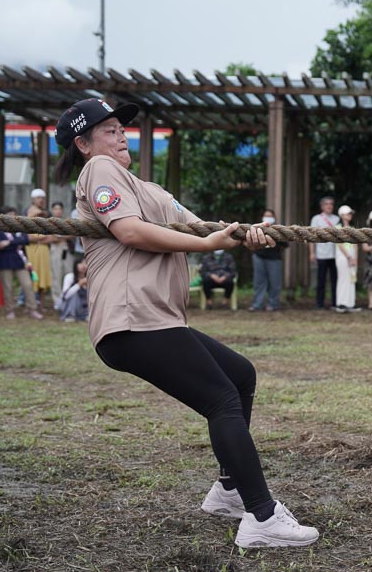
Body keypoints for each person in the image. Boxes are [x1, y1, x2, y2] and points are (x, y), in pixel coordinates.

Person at [53, 98, 317, 548]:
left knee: (239, 375)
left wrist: (242, 237)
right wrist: (208, 244)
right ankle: (262, 517)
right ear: (83, 143)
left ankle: (229, 492)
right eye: (110, 130)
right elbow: (130, 232)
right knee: (222, 402)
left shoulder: (148, 188)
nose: (121, 137)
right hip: (131, 319)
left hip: (156, 318)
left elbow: (203, 228)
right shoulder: (98, 170)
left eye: (122, 129)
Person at [0, 206, 43, 320]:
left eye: (14, 214)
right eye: (10, 214)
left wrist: (9, 243)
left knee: (27, 284)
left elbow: (26, 240)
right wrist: (15, 242)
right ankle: (9, 310)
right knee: (8, 287)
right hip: (5, 261)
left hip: (20, 261)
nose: (13, 217)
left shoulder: (18, 227)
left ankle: (32, 309)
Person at [250, 209, 286, 312]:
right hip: (259, 257)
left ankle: (273, 304)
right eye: (266, 215)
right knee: (259, 282)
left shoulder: (279, 229)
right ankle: (257, 305)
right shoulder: (257, 228)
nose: (268, 217)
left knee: (275, 283)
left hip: (274, 259)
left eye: (270, 216)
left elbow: (286, 244)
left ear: (274, 218)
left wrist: (275, 237)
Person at [24, 188, 53, 308]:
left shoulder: (47, 214)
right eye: (38, 198)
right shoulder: (28, 212)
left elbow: (50, 237)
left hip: (44, 249)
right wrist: (42, 238)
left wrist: (43, 238)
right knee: (32, 275)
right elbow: (29, 237)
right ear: (33, 199)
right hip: (32, 249)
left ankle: (41, 305)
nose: (40, 200)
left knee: (43, 275)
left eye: (42, 198)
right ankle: (30, 305)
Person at [310, 196, 339, 310]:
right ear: (322, 206)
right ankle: (319, 303)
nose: (329, 206)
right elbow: (311, 237)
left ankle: (335, 302)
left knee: (335, 281)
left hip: (335, 255)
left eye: (331, 204)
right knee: (321, 280)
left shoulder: (337, 219)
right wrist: (312, 253)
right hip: (321, 254)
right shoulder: (316, 219)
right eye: (327, 204)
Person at [49, 202, 74, 311]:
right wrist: (63, 237)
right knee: (56, 275)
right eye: (55, 209)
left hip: (66, 249)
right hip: (55, 249)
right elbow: (51, 238)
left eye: (60, 209)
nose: (58, 211)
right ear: (52, 210)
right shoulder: (48, 222)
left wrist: (61, 238)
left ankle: (69, 299)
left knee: (69, 274)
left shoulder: (66, 221)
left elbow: (73, 235)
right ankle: (57, 301)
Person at [334, 205, 360, 313]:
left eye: (350, 213)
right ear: (342, 215)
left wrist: (355, 257)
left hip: (352, 256)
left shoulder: (352, 228)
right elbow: (339, 244)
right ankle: (341, 303)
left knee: (351, 279)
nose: (350, 215)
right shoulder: (337, 227)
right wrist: (349, 257)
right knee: (343, 278)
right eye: (347, 213)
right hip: (342, 255)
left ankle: (350, 303)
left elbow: (355, 244)